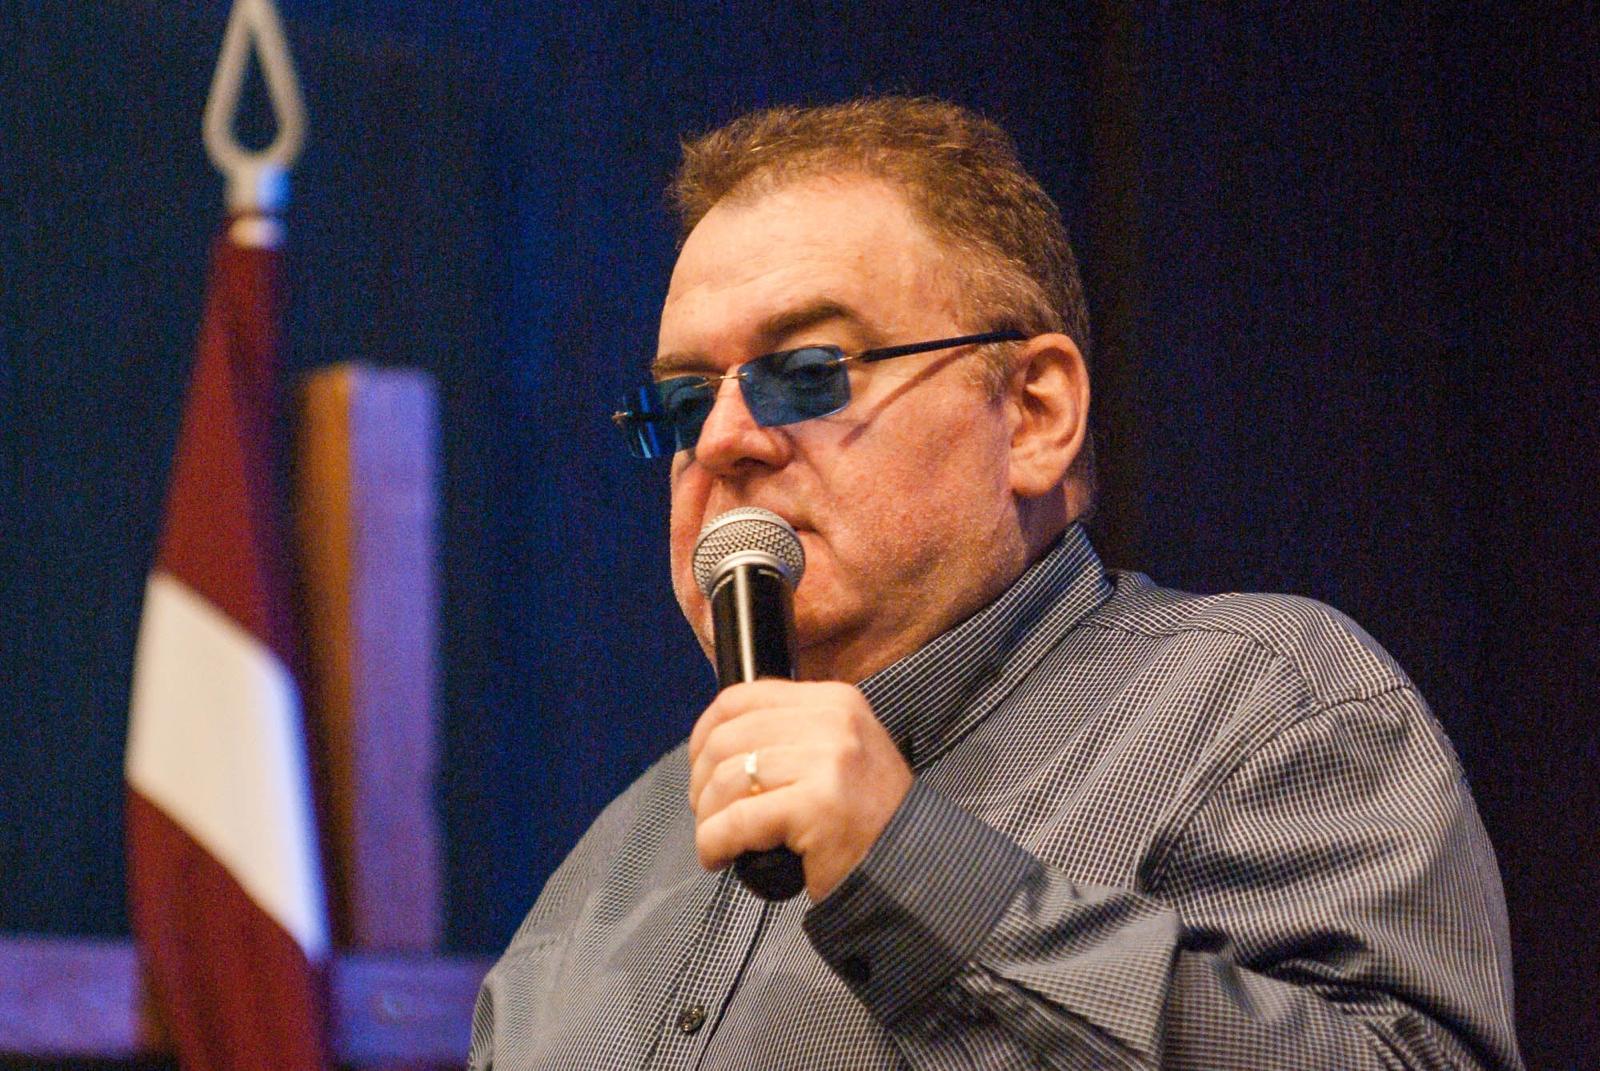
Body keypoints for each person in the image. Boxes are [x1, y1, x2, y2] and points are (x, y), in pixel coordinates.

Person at [469, 97, 1522, 1070]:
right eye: (687, 404)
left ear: (1033, 414)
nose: (726, 441)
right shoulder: (606, 875)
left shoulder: (1263, 708)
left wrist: (907, 869)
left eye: (806, 374)